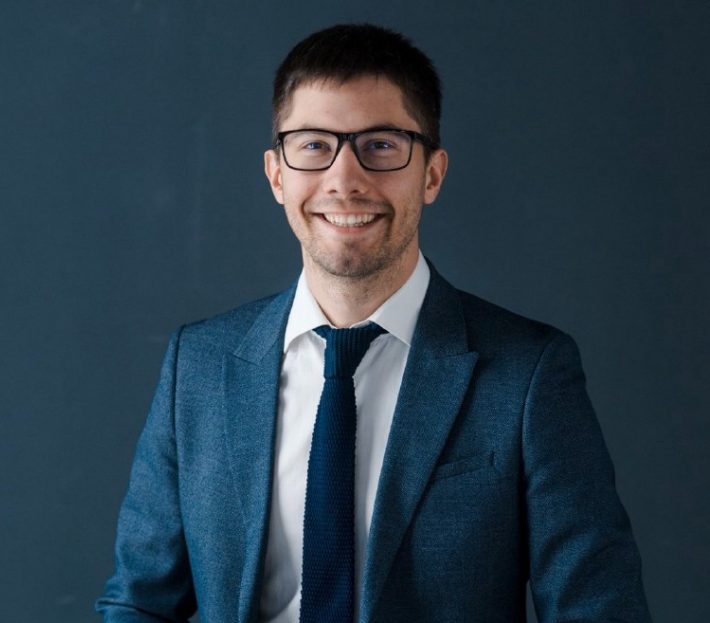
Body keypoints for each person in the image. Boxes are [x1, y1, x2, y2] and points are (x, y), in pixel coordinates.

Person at [97, 23, 651, 623]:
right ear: (277, 174)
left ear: (432, 174)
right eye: (314, 145)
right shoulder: (198, 367)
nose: (345, 179)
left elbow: (599, 609)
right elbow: (140, 602)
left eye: (381, 145)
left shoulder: (527, 374)